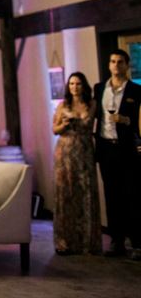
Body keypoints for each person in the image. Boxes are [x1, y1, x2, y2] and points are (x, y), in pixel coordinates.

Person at [93, 49, 141, 258]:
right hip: (106, 147)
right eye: (112, 61)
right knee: (111, 195)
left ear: (126, 65)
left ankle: (137, 243)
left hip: (127, 149)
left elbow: (139, 120)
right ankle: (116, 241)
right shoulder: (99, 88)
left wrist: (126, 120)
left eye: (120, 62)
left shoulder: (136, 90)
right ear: (109, 65)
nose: (116, 65)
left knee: (132, 194)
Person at [52, 72, 101, 255]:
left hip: (85, 151)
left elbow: (93, 125)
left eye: (78, 84)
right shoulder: (63, 105)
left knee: (86, 192)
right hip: (65, 153)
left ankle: (88, 242)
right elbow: (54, 129)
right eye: (71, 84)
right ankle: (65, 241)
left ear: (84, 86)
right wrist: (64, 125)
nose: (75, 87)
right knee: (66, 194)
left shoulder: (92, 104)